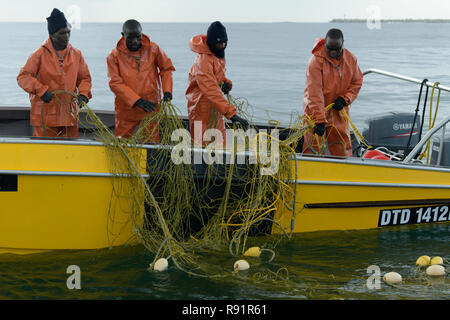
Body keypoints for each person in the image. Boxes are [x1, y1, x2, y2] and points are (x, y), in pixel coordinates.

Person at [17, 8, 92, 138]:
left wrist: (84, 94)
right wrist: (41, 90)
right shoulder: (38, 54)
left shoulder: (77, 54)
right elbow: (23, 77)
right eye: (62, 33)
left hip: (69, 115)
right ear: (52, 35)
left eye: (68, 32)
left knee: (70, 153)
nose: (67, 36)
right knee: (43, 153)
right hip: (45, 116)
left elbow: (85, 78)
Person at [107, 19, 175, 142]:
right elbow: (115, 83)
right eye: (130, 38)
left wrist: (167, 91)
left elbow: (166, 69)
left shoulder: (153, 49)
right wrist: (136, 101)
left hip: (150, 107)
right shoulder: (113, 56)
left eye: (138, 37)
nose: (135, 41)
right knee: (122, 145)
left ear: (142, 34)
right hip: (126, 109)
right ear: (123, 35)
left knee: (151, 145)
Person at [302, 28, 363, 157]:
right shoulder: (315, 62)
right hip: (315, 111)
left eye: (337, 49)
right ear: (325, 44)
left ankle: (343, 173)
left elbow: (357, 82)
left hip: (338, 110)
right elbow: (314, 93)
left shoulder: (351, 59)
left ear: (343, 44)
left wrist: (345, 99)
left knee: (342, 147)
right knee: (313, 148)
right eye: (330, 48)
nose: (333, 52)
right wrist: (319, 119)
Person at [186, 21, 248, 146]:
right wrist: (232, 114)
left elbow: (216, 77)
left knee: (220, 147)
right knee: (201, 151)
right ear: (212, 43)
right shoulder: (202, 61)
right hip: (200, 111)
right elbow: (210, 89)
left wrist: (225, 82)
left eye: (225, 42)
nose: (223, 45)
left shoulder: (216, 54)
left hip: (216, 110)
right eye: (219, 43)